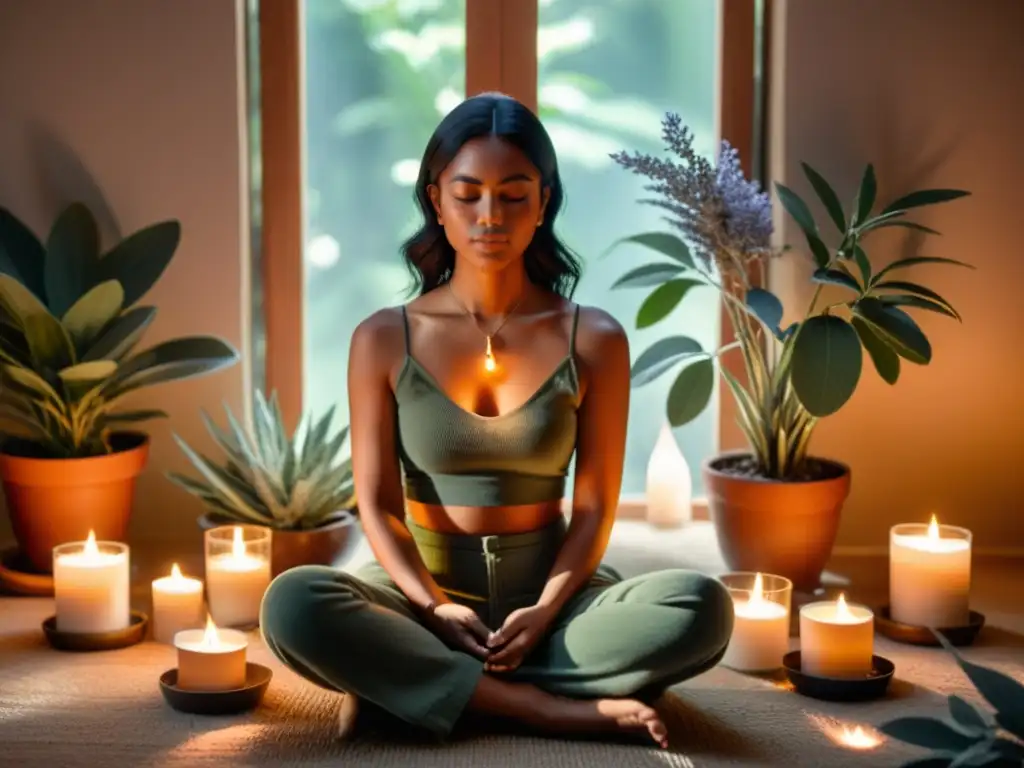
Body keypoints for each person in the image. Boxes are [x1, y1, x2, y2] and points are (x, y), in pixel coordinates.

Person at [259, 92, 734, 749]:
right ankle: (537, 706)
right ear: (436, 201)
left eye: (514, 195)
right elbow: (375, 503)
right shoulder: (383, 338)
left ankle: (417, 688)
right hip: (420, 597)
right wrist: (430, 605)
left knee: (700, 608)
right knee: (293, 605)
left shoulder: (594, 338)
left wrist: (543, 611)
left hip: (554, 599)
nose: (490, 216)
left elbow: (594, 510)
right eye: (468, 193)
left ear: (544, 203)